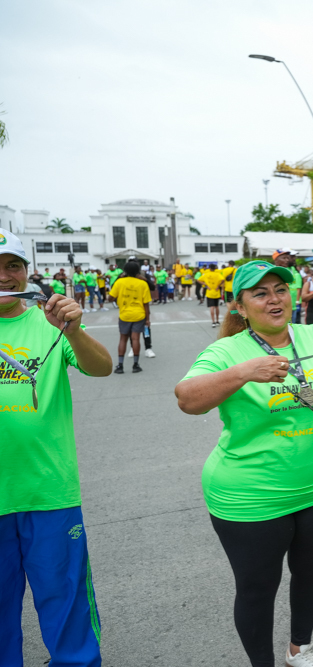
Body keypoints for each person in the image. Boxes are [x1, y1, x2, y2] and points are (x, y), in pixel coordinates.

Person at [175, 260, 313, 667]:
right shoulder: (226, 351)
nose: (274, 300)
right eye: (260, 293)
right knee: (257, 588)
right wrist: (244, 372)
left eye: (281, 290)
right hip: (251, 494)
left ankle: (300, 648)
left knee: (311, 570)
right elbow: (187, 398)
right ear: (240, 306)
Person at [0, 228, 113, 667]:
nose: (5, 277)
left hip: (49, 491)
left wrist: (74, 329)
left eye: (13, 266)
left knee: (64, 599)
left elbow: (101, 368)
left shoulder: (48, 323)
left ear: (28, 272)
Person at [109, 260, 151, 374]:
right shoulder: (142, 283)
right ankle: (136, 365)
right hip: (139, 314)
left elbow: (110, 298)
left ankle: (120, 366)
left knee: (123, 339)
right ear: (138, 272)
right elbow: (146, 304)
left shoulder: (120, 282)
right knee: (135, 339)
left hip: (124, 315)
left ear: (125, 271)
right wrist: (148, 319)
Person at [272, 249, 302, 323]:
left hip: (291, 306)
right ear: (276, 260)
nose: (287, 260)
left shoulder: (291, 272)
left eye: (288, 258)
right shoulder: (271, 274)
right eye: (284, 258)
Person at [201, 263, 224, 327]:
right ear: (215, 268)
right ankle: (217, 321)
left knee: (212, 307)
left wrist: (206, 285)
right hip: (216, 292)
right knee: (217, 307)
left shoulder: (206, 274)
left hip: (209, 292)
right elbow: (223, 280)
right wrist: (218, 286)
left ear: (209, 268)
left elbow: (198, 280)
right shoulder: (217, 274)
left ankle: (213, 322)